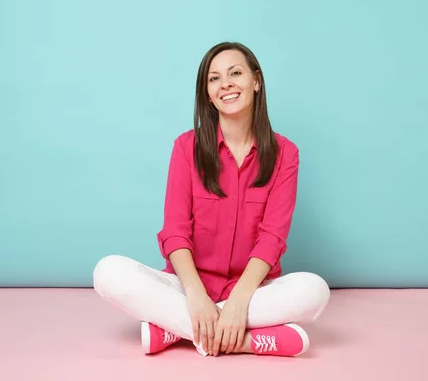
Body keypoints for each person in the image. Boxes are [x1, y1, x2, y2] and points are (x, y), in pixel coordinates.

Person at [93, 42, 330, 357]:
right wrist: (195, 296)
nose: (226, 84)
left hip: (252, 290)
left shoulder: (286, 153)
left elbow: (272, 238)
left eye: (235, 73)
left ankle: (176, 329)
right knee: (108, 272)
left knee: (314, 290)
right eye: (214, 78)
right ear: (207, 93)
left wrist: (238, 302)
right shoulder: (185, 148)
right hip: (188, 287)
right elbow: (175, 231)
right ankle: (249, 341)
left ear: (256, 81)